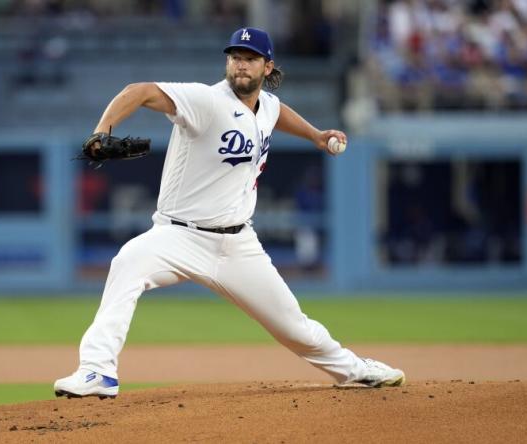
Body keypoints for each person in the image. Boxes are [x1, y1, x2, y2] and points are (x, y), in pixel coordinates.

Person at [55, 27, 405, 399]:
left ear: (267, 67)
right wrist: (99, 132)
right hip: (178, 235)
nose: (240, 64)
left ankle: (354, 371)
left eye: (250, 58)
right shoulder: (205, 101)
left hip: (239, 244)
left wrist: (316, 135)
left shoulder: (266, 105)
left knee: (295, 328)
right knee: (127, 263)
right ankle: (97, 372)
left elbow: (275, 112)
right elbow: (139, 91)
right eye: (235, 56)